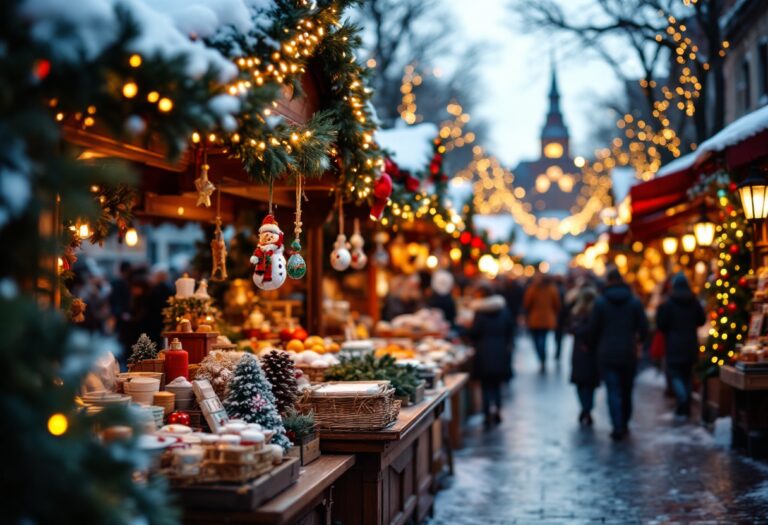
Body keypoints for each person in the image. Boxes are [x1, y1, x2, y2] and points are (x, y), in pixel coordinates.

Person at [589, 268, 648, 440]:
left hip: (607, 352)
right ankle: (625, 422)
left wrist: (593, 346)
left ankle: (617, 425)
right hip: (628, 352)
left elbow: (594, 329)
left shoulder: (600, 302)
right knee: (627, 389)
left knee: (613, 390)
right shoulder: (634, 301)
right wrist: (639, 341)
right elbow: (643, 327)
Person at [656, 273, 706, 419]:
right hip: (690, 343)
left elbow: (661, 325)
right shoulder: (694, 301)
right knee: (687, 374)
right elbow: (701, 320)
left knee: (676, 374)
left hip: (674, 344)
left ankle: (682, 397)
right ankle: (684, 405)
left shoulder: (668, 303)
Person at [469, 282, 514, 428]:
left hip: (484, 352)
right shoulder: (505, 310)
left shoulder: (480, 313)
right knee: (497, 384)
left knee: (485, 385)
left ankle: (487, 412)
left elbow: (475, 333)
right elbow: (510, 330)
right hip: (501, 351)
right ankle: (497, 409)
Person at [569, 285, 599, 426]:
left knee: (583, 383)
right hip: (589, 351)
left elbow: (572, 329)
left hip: (583, 351)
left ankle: (586, 408)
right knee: (588, 383)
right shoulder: (583, 313)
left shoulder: (581, 313)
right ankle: (587, 408)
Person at [523, 273, 561, 372]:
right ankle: (543, 358)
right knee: (543, 339)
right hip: (547, 318)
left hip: (535, 318)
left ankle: (542, 358)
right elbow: (557, 304)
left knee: (537, 340)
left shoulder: (533, 289)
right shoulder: (551, 289)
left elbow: (527, 303)